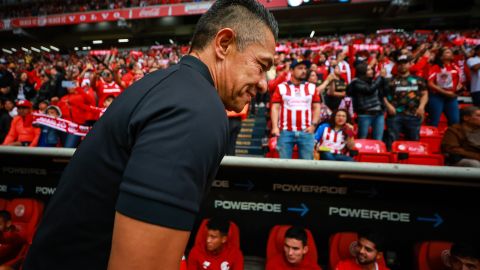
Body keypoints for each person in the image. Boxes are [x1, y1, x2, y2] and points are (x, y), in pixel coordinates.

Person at [23, 1, 278, 269]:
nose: (264, 84)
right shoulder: (196, 109)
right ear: (224, 44)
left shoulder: (165, 85)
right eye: (261, 65)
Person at [271, 59, 321, 160]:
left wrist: (313, 125)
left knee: (307, 165)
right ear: (291, 71)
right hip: (285, 132)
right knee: (284, 165)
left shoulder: (312, 87)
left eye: (305, 68)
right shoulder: (281, 87)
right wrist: (275, 127)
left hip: (306, 132)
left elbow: (317, 107)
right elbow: (275, 108)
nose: (303, 71)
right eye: (300, 68)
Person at [384, 54, 429, 150]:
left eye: (405, 63)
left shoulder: (418, 80)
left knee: (413, 142)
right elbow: (382, 96)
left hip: (413, 114)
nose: (402, 66)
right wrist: (388, 106)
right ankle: (391, 162)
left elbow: (424, 94)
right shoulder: (389, 81)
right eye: (400, 64)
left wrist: (421, 107)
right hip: (395, 114)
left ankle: (412, 163)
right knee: (392, 141)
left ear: (410, 65)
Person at [348, 62, 387, 141]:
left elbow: (384, 92)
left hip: (379, 114)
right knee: (362, 138)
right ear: (362, 71)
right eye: (368, 70)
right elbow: (369, 90)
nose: (371, 71)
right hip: (365, 114)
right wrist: (380, 78)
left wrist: (383, 80)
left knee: (378, 139)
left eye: (371, 69)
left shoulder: (373, 81)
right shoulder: (356, 82)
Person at [427, 47, 462, 127]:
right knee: (434, 121)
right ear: (441, 56)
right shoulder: (436, 67)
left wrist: (459, 87)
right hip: (437, 97)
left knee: (455, 121)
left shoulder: (456, 67)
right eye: (447, 52)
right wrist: (446, 92)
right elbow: (430, 84)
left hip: (452, 97)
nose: (450, 53)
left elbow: (459, 81)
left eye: (450, 52)